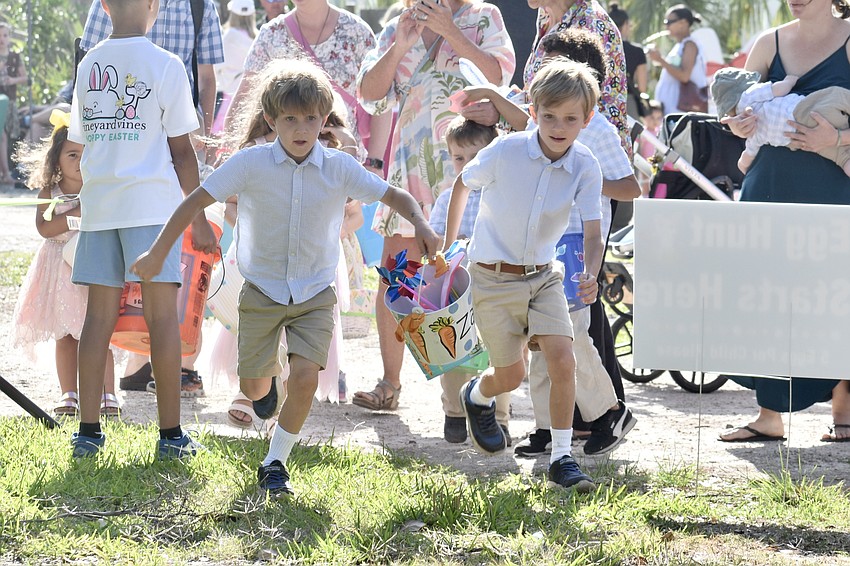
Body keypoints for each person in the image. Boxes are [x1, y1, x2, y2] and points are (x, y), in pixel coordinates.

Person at [130, 60, 441, 495]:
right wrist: (157, 251)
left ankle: (276, 461)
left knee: (306, 378)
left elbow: (396, 194)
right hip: (261, 288)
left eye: (311, 118)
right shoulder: (251, 164)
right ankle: (262, 391)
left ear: (324, 119)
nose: (301, 128)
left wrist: (423, 226)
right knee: (254, 384)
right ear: (272, 119)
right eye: (290, 119)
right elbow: (194, 200)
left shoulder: (339, 168)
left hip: (315, 291)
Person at [459, 29, 639, 457]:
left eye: (554, 63)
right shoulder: (522, 140)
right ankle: (546, 426)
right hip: (528, 249)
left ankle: (606, 414)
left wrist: (582, 185)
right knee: (541, 348)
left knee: (567, 338)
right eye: (549, 113)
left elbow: (630, 186)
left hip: (572, 244)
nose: (559, 125)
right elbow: (510, 134)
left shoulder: (594, 142)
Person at [67, 0, 218, 458]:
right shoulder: (167, 64)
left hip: (100, 210)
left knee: (96, 321)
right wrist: (198, 218)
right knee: (161, 322)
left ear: (105, 6)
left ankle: (88, 434)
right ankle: (171, 437)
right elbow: (183, 152)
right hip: (152, 212)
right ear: (156, 5)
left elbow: (79, 143)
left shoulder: (89, 62)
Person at [445, 59, 602, 491]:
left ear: (586, 120)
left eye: (571, 118)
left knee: (562, 359)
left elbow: (593, 228)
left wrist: (591, 271)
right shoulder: (505, 151)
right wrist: (449, 243)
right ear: (532, 112)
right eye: (549, 115)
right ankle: (477, 395)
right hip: (492, 277)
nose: (558, 125)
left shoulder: (586, 166)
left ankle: (563, 458)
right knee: (510, 376)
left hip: (544, 277)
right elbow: (462, 183)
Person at [353, 0, 515, 412]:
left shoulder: (483, 17)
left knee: (473, 278)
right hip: (410, 171)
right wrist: (399, 45)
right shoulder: (398, 24)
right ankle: (390, 383)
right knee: (397, 278)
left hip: (469, 171)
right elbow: (369, 95)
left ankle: (481, 391)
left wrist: (451, 32)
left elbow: (500, 76)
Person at [718, 0, 850, 443]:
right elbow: (736, 109)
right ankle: (768, 416)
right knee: (765, 295)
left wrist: (837, 138)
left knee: (834, 294)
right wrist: (737, 124)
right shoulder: (767, 43)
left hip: (833, 190)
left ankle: (845, 413)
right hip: (767, 186)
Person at [11, 110, 118, 418]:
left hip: (93, 267)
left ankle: (107, 394)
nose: (79, 162)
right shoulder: (50, 192)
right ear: (56, 158)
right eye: (72, 154)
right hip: (60, 269)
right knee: (66, 335)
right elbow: (44, 229)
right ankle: (68, 393)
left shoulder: (99, 192)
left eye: (86, 155)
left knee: (99, 332)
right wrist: (77, 213)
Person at [226, 0, 391, 171]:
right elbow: (241, 104)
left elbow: (381, 100)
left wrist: (374, 163)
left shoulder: (357, 32)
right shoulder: (271, 35)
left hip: (340, 166)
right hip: (278, 171)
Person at [427, 116, 512, 445]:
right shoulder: (449, 198)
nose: (465, 165)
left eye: (473, 158)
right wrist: (449, 244)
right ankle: (454, 410)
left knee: (501, 349)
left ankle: (499, 416)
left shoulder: (503, 194)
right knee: (453, 345)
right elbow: (438, 240)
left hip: (497, 280)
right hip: (457, 283)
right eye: (457, 158)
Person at [80, 0, 224, 136]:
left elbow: (206, 79)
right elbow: (91, 69)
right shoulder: (113, 2)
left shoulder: (201, 5)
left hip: (183, 126)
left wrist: (206, 140)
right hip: (124, 127)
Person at [711, 67, 850, 176]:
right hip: (806, 110)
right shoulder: (749, 95)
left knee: (841, 157)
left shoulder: (754, 135)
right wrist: (789, 81)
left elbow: (747, 158)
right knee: (837, 95)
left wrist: (742, 165)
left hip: (800, 138)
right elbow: (778, 89)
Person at [646, 4, 707, 115]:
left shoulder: (690, 45)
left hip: (681, 112)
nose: (666, 26)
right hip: (672, 110)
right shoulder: (680, 45)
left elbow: (684, 76)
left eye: (669, 22)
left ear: (683, 23)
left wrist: (661, 60)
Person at [213, 0, 258, 134]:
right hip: (250, 96)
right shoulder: (257, 37)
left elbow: (216, 66)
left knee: (219, 136)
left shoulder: (229, 36)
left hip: (228, 95)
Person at [608, 3, 648, 120]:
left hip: (602, 101)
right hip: (627, 103)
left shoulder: (599, 47)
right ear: (625, 25)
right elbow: (642, 87)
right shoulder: (637, 51)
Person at [0, 21, 28, 185]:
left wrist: (12, 80)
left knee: (5, 136)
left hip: (8, 101)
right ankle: (5, 173)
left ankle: (5, 172)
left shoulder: (14, 57)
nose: (2, 39)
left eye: (4, 35)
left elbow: (24, 78)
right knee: (2, 135)